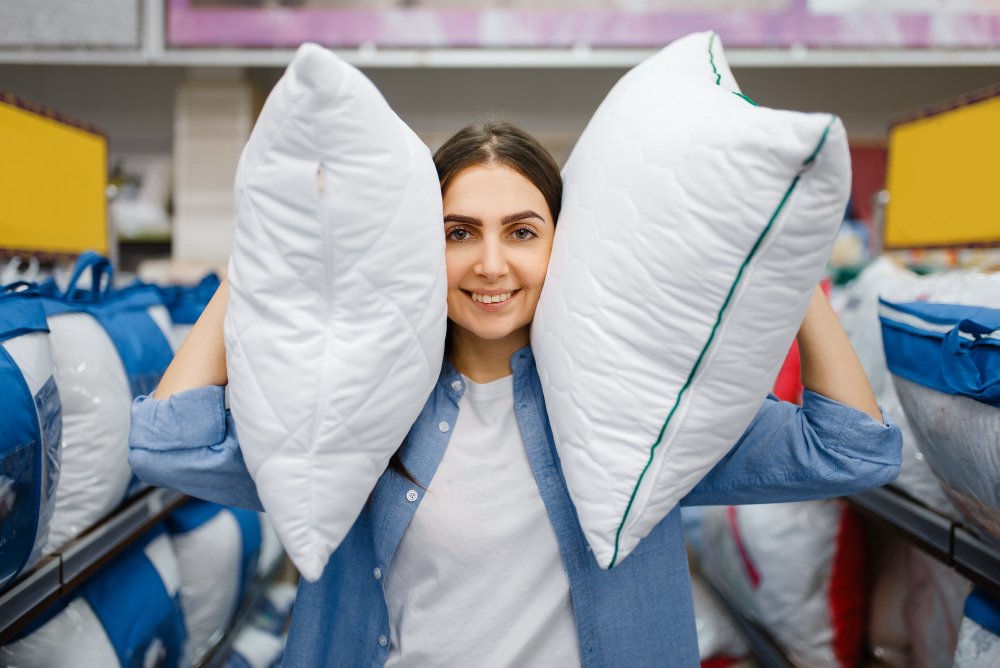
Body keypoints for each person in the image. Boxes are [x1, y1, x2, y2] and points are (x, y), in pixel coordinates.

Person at [130, 120, 902, 667]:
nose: (490, 263)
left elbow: (851, 451)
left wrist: (790, 266)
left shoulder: (637, 405)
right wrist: (247, 266)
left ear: (564, 243)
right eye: (458, 231)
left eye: (522, 232)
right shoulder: (361, 405)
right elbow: (171, 443)